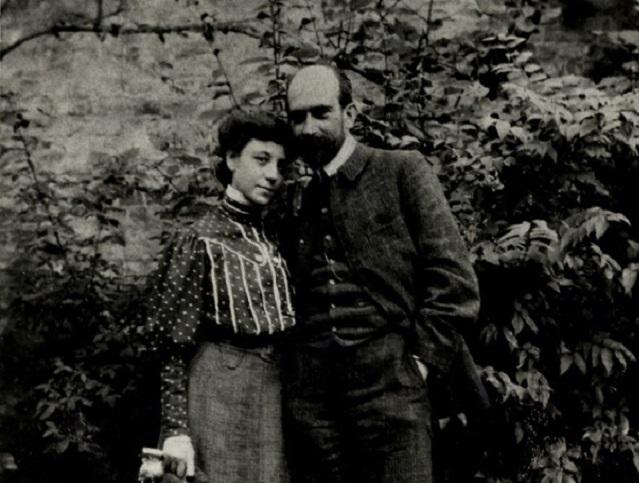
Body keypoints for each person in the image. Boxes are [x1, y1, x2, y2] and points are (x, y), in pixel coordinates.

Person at [280, 64, 485, 483]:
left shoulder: (400, 171)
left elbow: (455, 281)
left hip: (391, 384)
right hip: (314, 400)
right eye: (298, 117)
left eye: (321, 113)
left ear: (350, 114)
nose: (308, 127)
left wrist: (421, 364)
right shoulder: (291, 199)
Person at [144, 109, 296, 482]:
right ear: (230, 159)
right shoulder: (199, 239)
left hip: (271, 392)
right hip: (216, 388)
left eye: (280, 164)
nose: (273, 174)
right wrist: (177, 430)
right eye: (260, 160)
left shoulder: (274, 237)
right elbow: (171, 346)